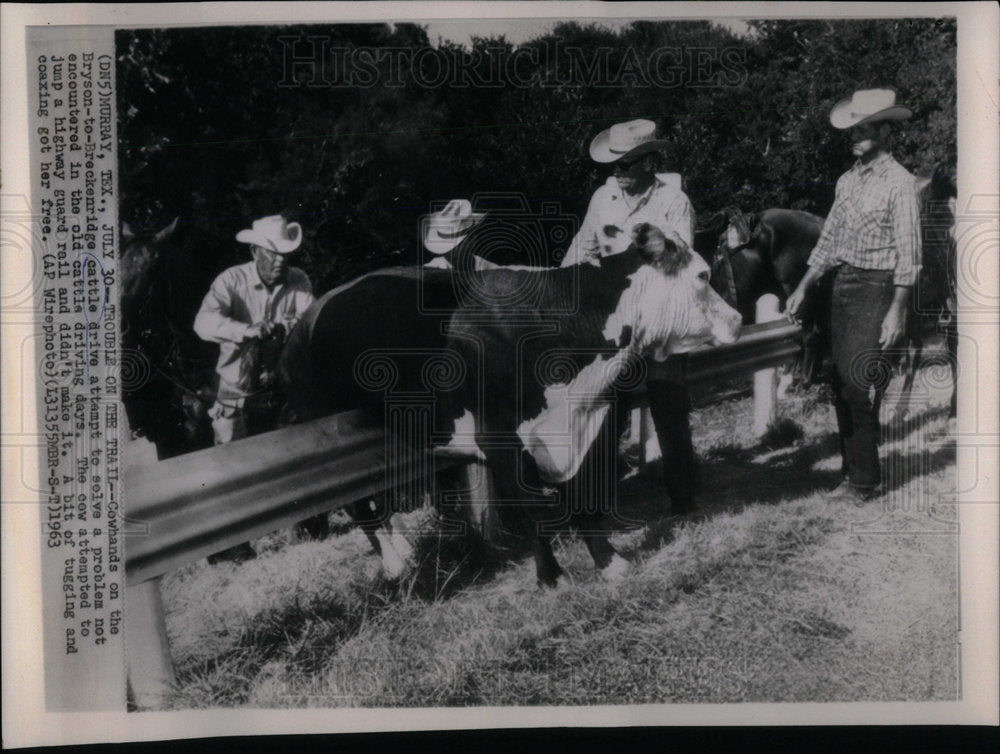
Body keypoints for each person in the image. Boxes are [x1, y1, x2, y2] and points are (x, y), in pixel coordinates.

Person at [786, 89, 921, 503]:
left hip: (877, 287)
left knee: (858, 382)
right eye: (853, 128)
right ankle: (851, 472)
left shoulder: (900, 184)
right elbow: (828, 241)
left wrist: (896, 311)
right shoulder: (847, 180)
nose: (855, 135)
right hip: (841, 285)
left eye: (863, 128)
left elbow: (909, 254)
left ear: (885, 130)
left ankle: (866, 481)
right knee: (837, 379)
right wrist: (803, 287)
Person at [562, 118, 700, 513]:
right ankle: (603, 504)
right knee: (607, 412)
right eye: (614, 164)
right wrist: (565, 288)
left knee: (668, 408)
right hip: (614, 324)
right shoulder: (603, 199)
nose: (617, 172)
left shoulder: (673, 202)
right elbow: (581, 248)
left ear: (649, 163)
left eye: (626, 164)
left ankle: (683, 500)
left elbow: (681, 260)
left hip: (658, 320)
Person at [194, 214, 315, 561]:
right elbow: (202, 322)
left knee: (298, 452)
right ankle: (236, 543)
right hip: (238, 386)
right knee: (231, 460)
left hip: (282, 386)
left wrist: (283, 325)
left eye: (285, 254)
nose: (280, 260)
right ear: (254, 251)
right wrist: (243, 330)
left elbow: (309, 321)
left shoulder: (299, 281)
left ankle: (301, 529)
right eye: (272, 253)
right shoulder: (231, 281)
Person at [422, 198, 500, 271]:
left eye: (459, 245)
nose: (453, 252)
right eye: (447, 246)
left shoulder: (488, 268)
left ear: (473, 240)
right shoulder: (434, 267)